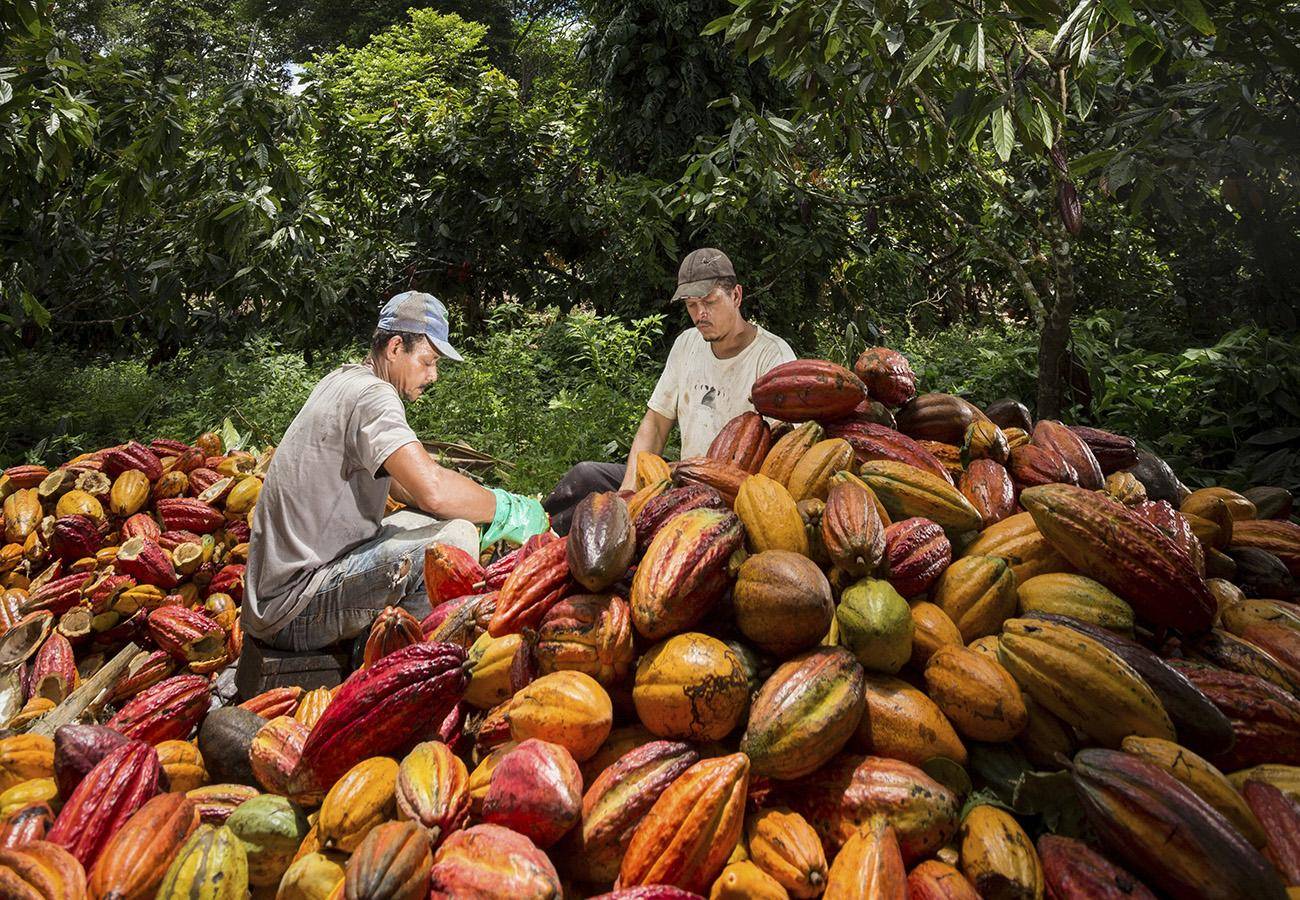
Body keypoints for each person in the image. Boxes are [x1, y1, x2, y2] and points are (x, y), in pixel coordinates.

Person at [243, 291, 548, 652]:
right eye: (427, 361)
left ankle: (377, 641)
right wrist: (507, 507)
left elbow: (405, 487)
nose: (433, 375)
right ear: (394, 347)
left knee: (429, 519)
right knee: (453, 541)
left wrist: (470, 498)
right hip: (294, 606)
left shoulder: (343, 380)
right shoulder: (374, 396)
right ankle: (381, 662)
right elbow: (431, 487)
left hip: (277, 594)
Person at [543, 248, 796, 534]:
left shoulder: (772, 357)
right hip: (683, 479)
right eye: (691, 305)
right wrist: (628, 491)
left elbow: (787, 453)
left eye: (710, 302)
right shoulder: (687, 344)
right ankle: (539, 539)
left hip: (735, 498)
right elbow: (655, 424)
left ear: (736, 296)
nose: (700, 314)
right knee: (585, 476)